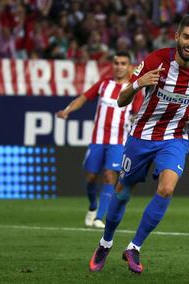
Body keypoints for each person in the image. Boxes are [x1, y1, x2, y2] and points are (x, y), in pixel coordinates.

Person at [88, 14, 189, 274]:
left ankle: (134, 248)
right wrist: (139, 83)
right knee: (123, 192)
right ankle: (105, 242)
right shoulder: (155, 60)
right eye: (186, 37)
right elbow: (121, 100)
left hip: (175, 137)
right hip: (141, 136)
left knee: (167, 189)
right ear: (177, 37)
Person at [56, 51, 142, 228]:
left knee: (110, 176)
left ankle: (98, 218)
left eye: (123, 63)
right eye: (116, 63)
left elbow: (139, 112)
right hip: (97, 139)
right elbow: (83, 98)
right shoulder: (104, 85)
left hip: (118, 141)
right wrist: (67, 110)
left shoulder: (134, 89)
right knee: (90, 178)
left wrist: (135, 119)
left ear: (130, 67)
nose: (119, 66)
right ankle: (93, 205)